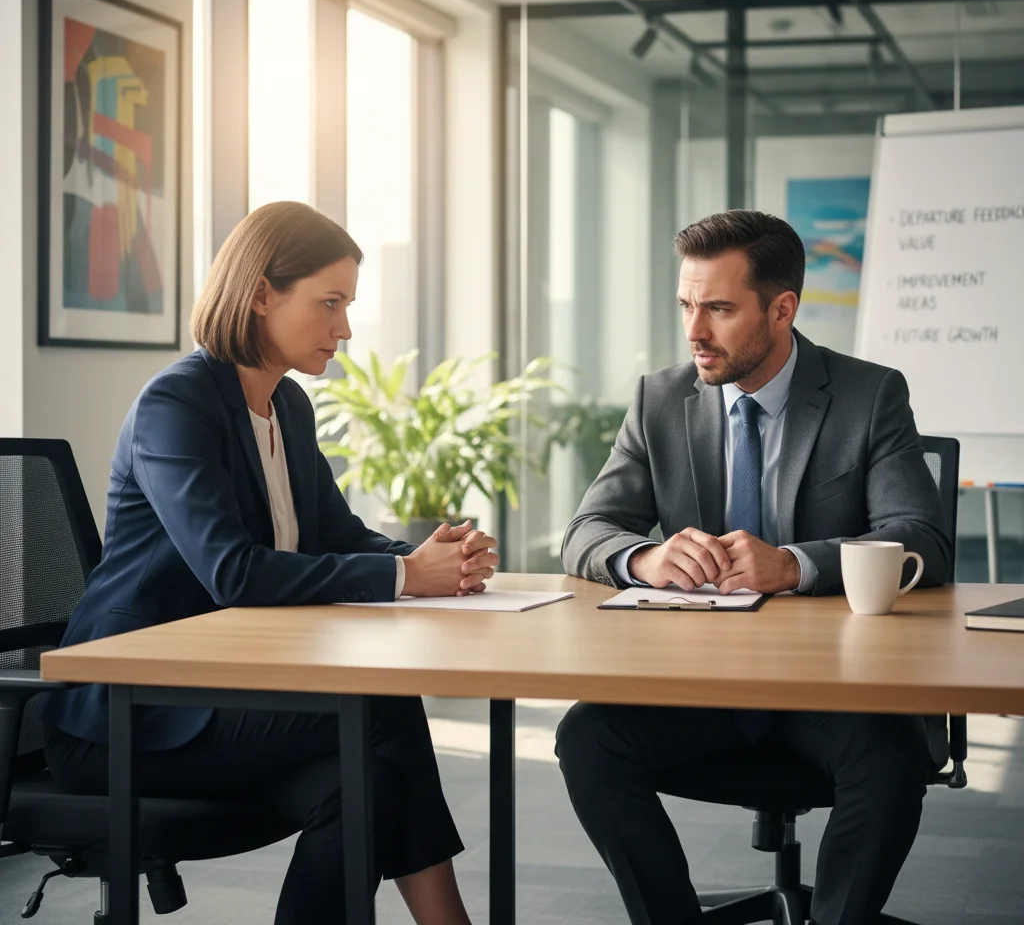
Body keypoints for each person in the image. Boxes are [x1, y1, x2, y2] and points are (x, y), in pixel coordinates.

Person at [40, 201, 496, 925]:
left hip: (216, 689)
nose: (344, 328)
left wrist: (429, 558)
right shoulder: (176, 404)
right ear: (260, 294)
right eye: (330, 303)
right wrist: (409, 577)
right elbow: (235, 573)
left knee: (368, 784)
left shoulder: (287, 406)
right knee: (380, 707)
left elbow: (337, 535)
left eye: (348, 306)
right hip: (128, 711)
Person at [556, 210, 953, 925]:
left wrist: (794, 566)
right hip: (699, 683)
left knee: (890, 759)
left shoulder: (868, 396)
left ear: (782, 309)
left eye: (718, 308)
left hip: (833, 688)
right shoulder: (659, 399)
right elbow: (587, 531)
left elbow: (922, 537)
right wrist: (645, 556)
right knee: (587, 739)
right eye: (686, 304)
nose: (694, 330)